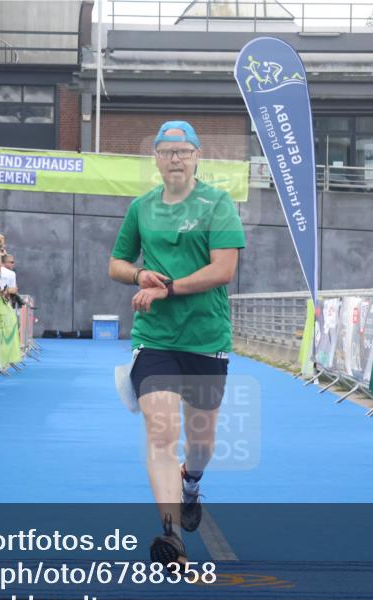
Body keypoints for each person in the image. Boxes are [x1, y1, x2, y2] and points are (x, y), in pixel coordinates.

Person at [107, 120, 245, 565]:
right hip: (155, 338)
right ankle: (171, 537)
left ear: (197, 156)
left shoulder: (218, 203)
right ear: (156, 159)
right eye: (167, 152)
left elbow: (224, 270)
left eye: (183, 152)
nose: (175, 159)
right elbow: (116, 262)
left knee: (200, 440)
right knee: (161, 433)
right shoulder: (142, 208)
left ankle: (192, 482)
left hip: (206, 337)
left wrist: (170, 287)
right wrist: (137, 274)